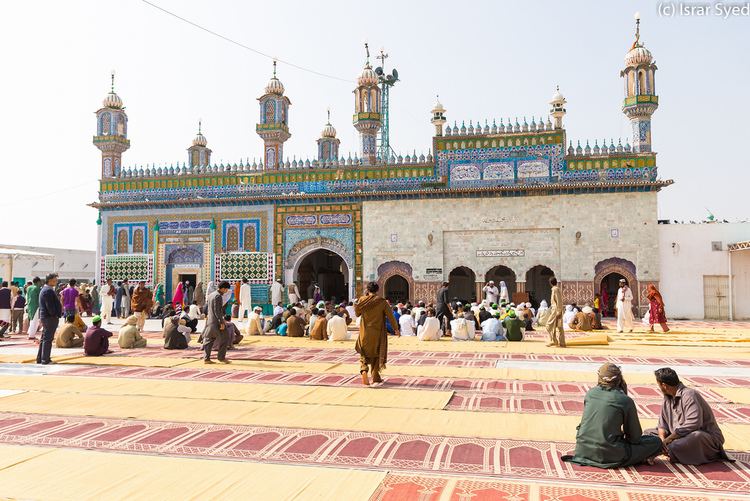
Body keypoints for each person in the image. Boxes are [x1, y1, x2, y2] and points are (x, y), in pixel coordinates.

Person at [561, 363, 662, 468]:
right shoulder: (624, 400)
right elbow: (634, 437)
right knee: (655, 442)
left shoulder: (590, 394)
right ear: (619, 379)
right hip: (609, 454)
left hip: (582, 451)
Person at [646, 368, 731, 465]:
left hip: (704, 437)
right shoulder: (667, 397)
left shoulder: (690, 395)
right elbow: (662, 424)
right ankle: (667, 448)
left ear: (664, 385)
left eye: (659, 385)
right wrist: (662, 441)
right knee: (648, 434)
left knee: (695, 436)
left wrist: (668, 440)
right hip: (676, 435)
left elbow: (693, 424)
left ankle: (664, 450)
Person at [355, 282, 399, 386]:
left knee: (363, 352)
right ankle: (375, 376)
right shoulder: (382, 302)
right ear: (377, 290)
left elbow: (357, 313)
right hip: (377, 332)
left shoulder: (362, 300)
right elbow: (390, 316)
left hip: (364, 331)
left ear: (367, 289)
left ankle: (364, 369)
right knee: (376, 353)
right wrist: (396, 329)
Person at [201, 281, 231, 364]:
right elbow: (217, 310)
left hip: (210, 321)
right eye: (226, 289)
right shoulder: (218, 296)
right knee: (225, 338)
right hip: (216, 322)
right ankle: (221, 357)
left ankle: (206, 358)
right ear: (223, 288)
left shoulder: (211, 295)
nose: (226, 291)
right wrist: (221, 322)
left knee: (209, 339)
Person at [36, 274, 62, 364]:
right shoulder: (48, 291)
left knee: (44, 338)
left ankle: (40, 358)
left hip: (46, 317)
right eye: (55, 280)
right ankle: (45, 359)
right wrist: (54, 315)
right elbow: (50, 306)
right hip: (49, 318)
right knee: (48, 339)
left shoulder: (46, 289)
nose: (56, 282)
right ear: (50, 280)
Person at [545, 277, 566, 348]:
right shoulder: (555, 289)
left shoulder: (555, 289)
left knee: (549, 325)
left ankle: (554, 341)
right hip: (556, 310)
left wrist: (558, 311)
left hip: (556, 311)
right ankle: (561, 342)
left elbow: (559, 301)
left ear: (550, 283)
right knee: (559, 327)